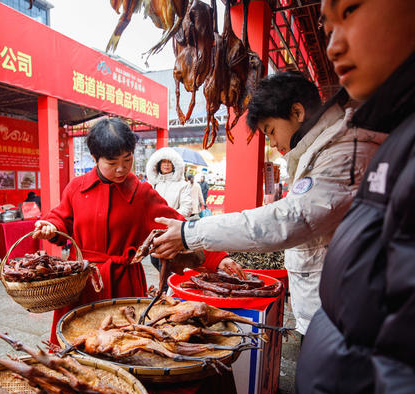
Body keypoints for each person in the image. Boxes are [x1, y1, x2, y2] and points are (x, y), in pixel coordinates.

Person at [150, 71, 385, 336]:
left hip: (346, 316)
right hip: (333, 309)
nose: (273, 143)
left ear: (297, 112)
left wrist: (189, 233)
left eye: (270, 131)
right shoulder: (324, 151)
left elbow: (290, 220)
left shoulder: (343, 154)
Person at [288, 1, 415, 394]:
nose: (332, 46)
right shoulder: (396, 141)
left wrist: (195, 234)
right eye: (326, 26)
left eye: (351, 10)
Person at [32, 118, 241, 345]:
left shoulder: (141, 194)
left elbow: (177, 225)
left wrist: (217, 258)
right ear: (95, 159)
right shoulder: (76, 188)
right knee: (75, 346)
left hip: (123, 284)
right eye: (112, 162)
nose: (121, 168)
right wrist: (50, 226)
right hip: (82, 283)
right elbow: (61, 218)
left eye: (127, 159)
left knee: (125, 346)